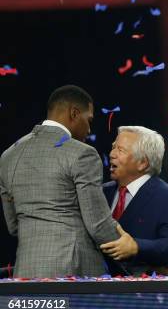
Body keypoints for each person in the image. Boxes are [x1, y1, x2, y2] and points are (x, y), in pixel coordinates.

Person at [0, 85, 120, 278]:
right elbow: (98, 225)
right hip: (73, 271)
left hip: (25, 272)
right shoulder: (82, 153)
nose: (89, 130)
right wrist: (138, 257)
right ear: (74, 113)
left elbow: (13, 225)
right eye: (88, 120)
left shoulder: (8, 156)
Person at [100, 126, 168, 276]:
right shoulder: (101, 192)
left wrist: (136, 247)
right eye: (113, 147)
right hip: (95, 287)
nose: (112, 154)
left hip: (138, 293)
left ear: (143, 163)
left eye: (121, 150)